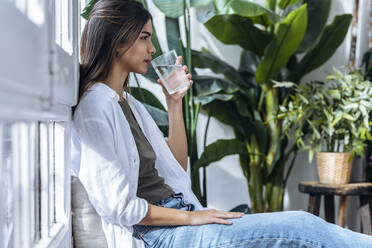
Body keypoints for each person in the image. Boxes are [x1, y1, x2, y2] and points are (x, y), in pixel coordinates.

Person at [71, 0, 372, 247]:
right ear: (117, 40)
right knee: (302, 228)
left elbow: (176, 166)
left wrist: (174, 105)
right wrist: (192, 219)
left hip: (179, 216)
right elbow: (119, 208)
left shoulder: (128, 103)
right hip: (158, 236)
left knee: (303, 227)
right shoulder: (97, 106)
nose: (152, 49)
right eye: (144, 38)